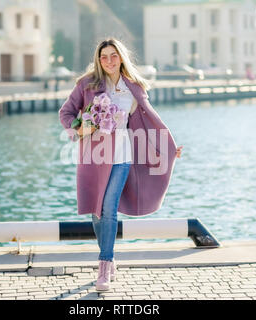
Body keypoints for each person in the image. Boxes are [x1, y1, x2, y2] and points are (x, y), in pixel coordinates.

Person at [59, 38, 183, 292]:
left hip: (123, 155)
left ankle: (104, 265)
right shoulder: (87, 84)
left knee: (108, 207)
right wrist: (79, 128)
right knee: (96, 211)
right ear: (98, 59)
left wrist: (167, 148)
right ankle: (110, 256)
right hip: (94, 157)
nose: (109, 61)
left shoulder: (134, 87)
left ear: (121, 57)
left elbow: (150, 121)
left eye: (113, 55)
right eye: (104, 56)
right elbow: (66, 113)